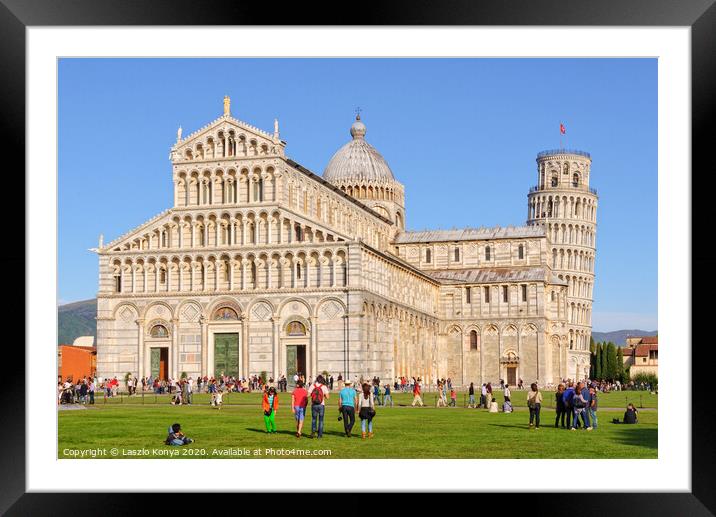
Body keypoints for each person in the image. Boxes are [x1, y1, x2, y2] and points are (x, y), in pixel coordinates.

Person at [307, 374, 330, 439]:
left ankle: (313, 432)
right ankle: (319, 435)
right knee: (321, 420)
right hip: (321, 405)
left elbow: (308, 395)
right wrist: (324, 395)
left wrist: (312, 395)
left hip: (314, 404)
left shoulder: (312, 385)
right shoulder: (324, 386)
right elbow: (328, 397)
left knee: (314, 419)